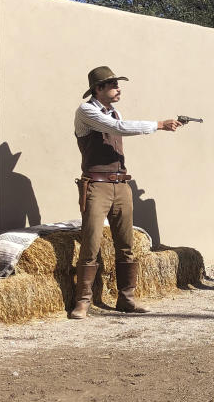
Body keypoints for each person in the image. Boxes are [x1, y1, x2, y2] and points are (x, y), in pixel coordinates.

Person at [70, 66, 183, 320]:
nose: (117, 88)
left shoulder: (112, 111)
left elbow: (118, 124)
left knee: (126, 244)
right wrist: (159, 124)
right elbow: (118, 127)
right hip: (96, 185)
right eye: (112, 84)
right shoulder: (87, 110)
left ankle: (126, 298)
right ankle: (83, 301)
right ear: (98, 89)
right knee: (91, 243)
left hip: (121, 184)